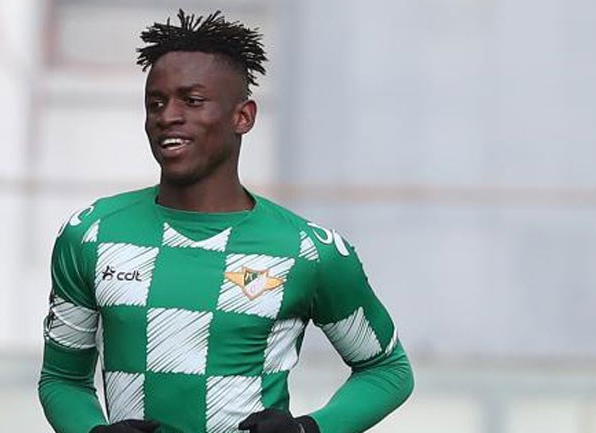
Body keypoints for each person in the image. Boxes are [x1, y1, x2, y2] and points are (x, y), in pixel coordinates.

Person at [39, 9, 413, 433]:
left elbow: (387, 370)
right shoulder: (91, 234)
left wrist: (307, 430)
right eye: (155, 103)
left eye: (192, 100)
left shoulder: (309, 250)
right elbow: (62, 379)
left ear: (243, 117)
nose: (167, 115)